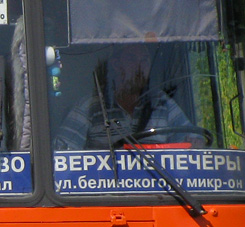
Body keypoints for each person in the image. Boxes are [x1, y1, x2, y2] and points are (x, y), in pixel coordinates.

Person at [53, 42, 202, 150]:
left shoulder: (162, 104)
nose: (141, 67)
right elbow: (63, 153)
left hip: (161, 189)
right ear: (116, 65)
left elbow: (193, 141)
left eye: (145, 60)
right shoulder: (89, 107)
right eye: (132, 60)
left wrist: (196, 143)